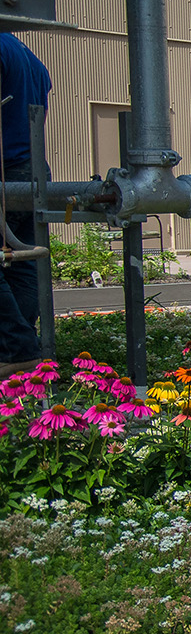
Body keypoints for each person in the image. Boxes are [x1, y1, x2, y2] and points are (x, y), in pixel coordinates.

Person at [0, 32, 51, 376]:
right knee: (22, 264)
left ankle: (17, 346)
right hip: (32, 168)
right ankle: (21, 351)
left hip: (5, 167)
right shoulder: (24, 52)